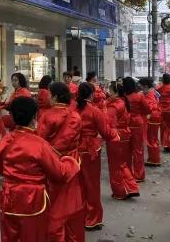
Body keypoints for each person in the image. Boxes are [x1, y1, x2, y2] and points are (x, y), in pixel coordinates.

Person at [0, 96, 80, 242]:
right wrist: (71, 161)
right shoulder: (39, 144)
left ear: (12, 116)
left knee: (9, 237)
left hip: (9, 198)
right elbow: (59, 173)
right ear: (35, 117)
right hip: (33, 200)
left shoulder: (5, 141)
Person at [37, 82, 84, 242]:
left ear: (56, 96)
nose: (48, 97)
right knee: (71, 204)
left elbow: (40, 141)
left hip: (52, 165)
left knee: (53, 204)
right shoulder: (76, 116)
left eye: (50, 94)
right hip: (72, 164)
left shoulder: (47, 116)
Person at [75, 82, 119, 231]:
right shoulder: (94, 111)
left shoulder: (73, 110)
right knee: (92, 185)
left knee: (79, 185)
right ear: (92, 94)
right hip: (91, 150)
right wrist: (116, 134)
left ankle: (80, 217)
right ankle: (92, 219)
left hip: (75, 150)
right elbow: (106, 132)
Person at [105, 80, 140, 200]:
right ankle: (131, 187)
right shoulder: (121, 102)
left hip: (116, 136)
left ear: (116, 93)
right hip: (124, 135)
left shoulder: (115, 105)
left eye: (110, 91)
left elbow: (108, 122)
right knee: (122, 163)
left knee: (115, 165)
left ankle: (121, 191)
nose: (108, 93)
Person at [123, 77, 151, 182]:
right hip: (137, 124)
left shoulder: (122, 97)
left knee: (126, 151)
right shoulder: (139, 96)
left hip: (126, 124)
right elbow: (147, 109)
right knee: (138, 150)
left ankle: (127, 174)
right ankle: (139, 175)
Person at [139, 77, 162, 166]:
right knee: (153, 139)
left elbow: (150, 106)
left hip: (152, 118)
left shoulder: (150, 94)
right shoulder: (153, 92)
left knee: (151, 139)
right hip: (155, 117)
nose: (140, 87)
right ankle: (154, 158)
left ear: (145, 86)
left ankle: (154, 160)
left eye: (141, 86)